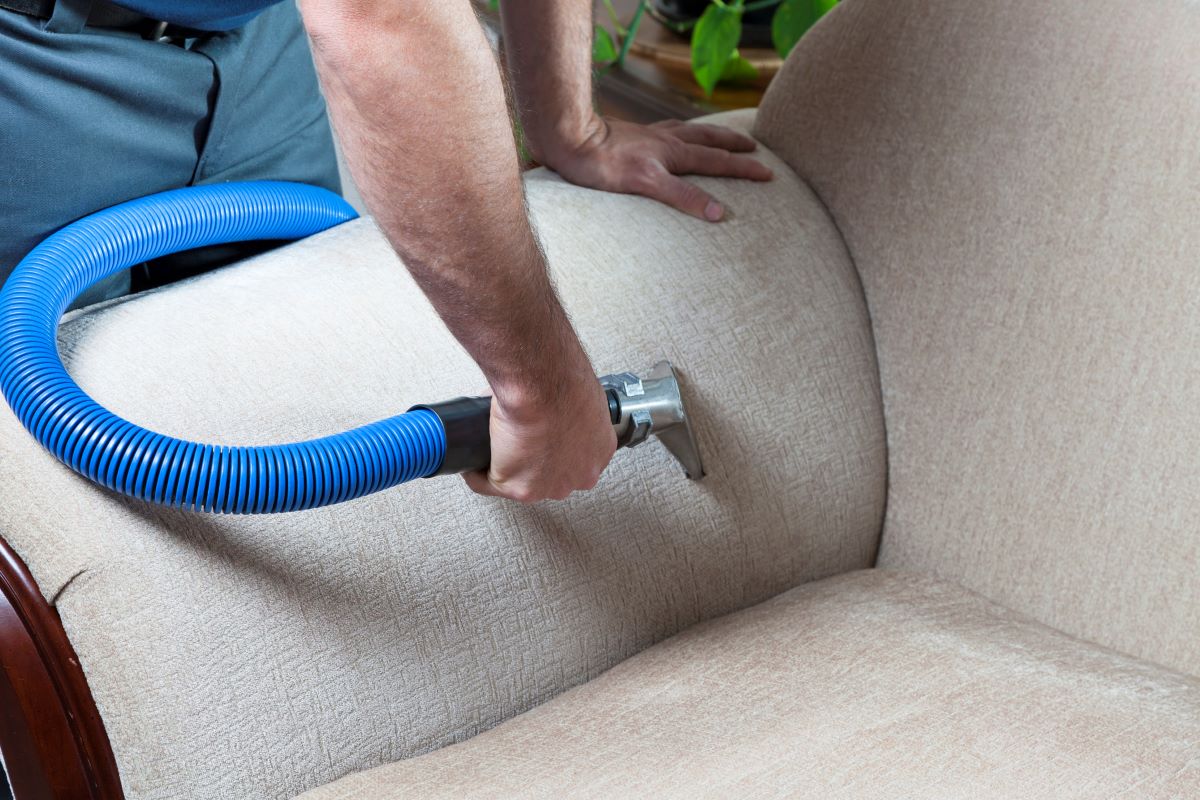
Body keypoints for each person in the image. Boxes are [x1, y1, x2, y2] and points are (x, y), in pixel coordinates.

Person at [0, 0, 773, 502]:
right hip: (24, 59)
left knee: (270, 395)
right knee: (38, 484)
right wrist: (544, 392)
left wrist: (571, 127)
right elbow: (380, 15)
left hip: (250, 37)